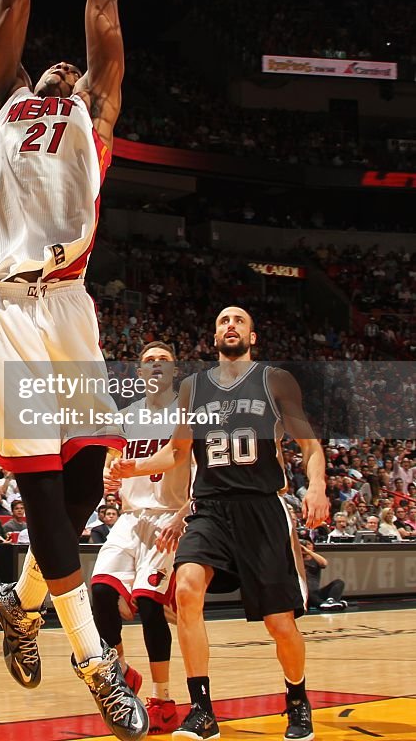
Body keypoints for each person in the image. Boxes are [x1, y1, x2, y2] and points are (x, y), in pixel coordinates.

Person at [0, 0, 145, 741]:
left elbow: (100, 9)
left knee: (80, 495)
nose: (62, 73)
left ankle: (15, 596)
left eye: (72, 71)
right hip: (3, 304)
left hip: (68, 305)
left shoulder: (93, 117)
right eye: (54, 69)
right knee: (43, 500)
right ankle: (95, 665)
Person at [113, 306, 329, 741]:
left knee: (278, 622)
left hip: (261, 508)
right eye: (222, 322)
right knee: (188, 588)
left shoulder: (274, 380)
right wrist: (129, 468)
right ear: (214, 337)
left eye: (239, 321)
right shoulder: (193, 388)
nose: (230, 325)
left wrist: (319, 486)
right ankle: (202, 710)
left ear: (252, 337)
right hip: (210, 508)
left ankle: (297, 700)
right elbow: (176, 454)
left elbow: (310, 444)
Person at [92, 342, 188, 735]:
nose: (155, 365)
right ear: (139, 373)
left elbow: (201, 470)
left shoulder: (188, 414)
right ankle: (121, 674)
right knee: (99, 591)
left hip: (169, 515)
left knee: (149, 604)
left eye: (163, 360)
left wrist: (184, 516)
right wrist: (109, 476)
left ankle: (163, 698)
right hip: (131, 518)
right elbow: (110, 468)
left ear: (174, 371)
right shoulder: (126, 418)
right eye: (148, 361)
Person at [300, 538, 347, 612]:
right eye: (303, 544)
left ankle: (331, 601)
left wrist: (308, 551)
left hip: (316, 592)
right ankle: (322, 604)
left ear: (313, 546)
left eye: (308, 544)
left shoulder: (315, 559)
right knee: (307, 590)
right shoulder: (296, 559)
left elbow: (324, 563)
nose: (305, 546)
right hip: (304, 594)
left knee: (339, 582)